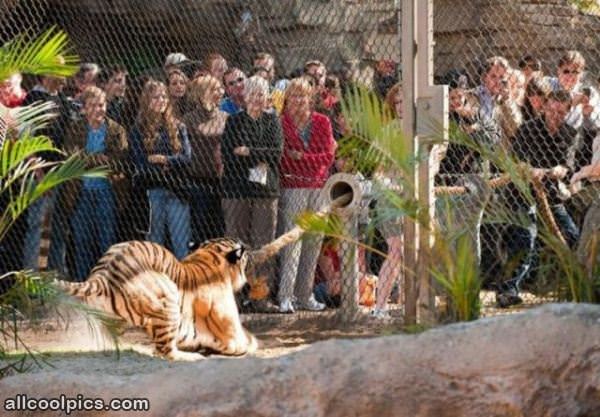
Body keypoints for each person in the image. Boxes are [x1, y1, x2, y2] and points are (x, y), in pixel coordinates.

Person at [222, 76, 283, 309]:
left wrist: (248, 151)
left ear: (267, 97)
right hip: (236, 190)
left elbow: (276, 153)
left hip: (265, 192)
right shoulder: (234, 122)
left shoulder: (272, 122)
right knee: (237, 244)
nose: (257, 98)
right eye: (252, 93)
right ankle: (235, 297)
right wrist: (260, 154)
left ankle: (260, 296)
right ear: (244, 96)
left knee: (263, 245)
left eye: (261, 94)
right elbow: (229, 155)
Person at [277, 77, 336, 313]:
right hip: (292, 188)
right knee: (293, 243)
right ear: (287, 99)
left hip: (319, 188)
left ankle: (305, 295)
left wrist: (302, 158)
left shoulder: (322, 122)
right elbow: (282, 159)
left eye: (303, 95)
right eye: (294, 95)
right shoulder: (281, 123)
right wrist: (307, 161)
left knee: (313, 243)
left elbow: (327, 157)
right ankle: (286, 296)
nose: (299, 100)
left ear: (310, 98)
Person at [62, 86, 128, 281]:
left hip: (107, 191)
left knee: (106, 242)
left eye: (101, 104)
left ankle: (105, 284)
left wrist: (91, 159)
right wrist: (97, 158)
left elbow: (120, 159)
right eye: (93, 105)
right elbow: (70, 155)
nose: (98, 109)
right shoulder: (75, 128)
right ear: (85, 108)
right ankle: (84, 284)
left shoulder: (116, 130)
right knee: (82, 241)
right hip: (80, 192)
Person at [130, 80, 192, 259]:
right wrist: (170, 162)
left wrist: (164, 159)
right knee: (154, 245)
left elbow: (187, 158)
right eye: (156, 97)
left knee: (181, 243)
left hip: (176, 190)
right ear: (147, 101)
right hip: (152, 191)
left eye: (164, 96)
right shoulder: (138, 129)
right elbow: (140, 161)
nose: (161, 100)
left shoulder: (178, 127)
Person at [183, 75, 227, 243]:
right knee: (199, 228)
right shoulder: (189, 119)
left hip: (220, 180)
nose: (220, 92)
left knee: (219, 227)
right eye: (214, 89)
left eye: (220, 88)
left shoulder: (225, 117)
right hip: (198, 180)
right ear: (202, 93)